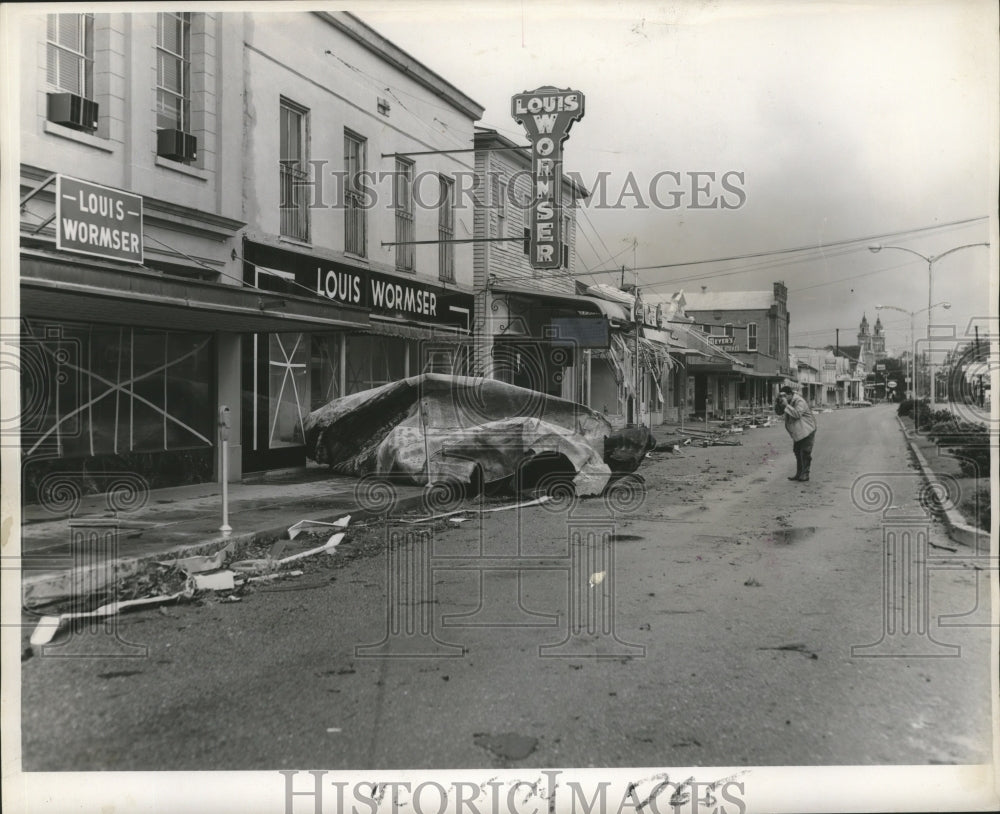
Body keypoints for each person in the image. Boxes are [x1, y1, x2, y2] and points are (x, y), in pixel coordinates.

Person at [774, 385, 817, 482]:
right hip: (798, 432)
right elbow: (779, 412)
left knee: (805, 452)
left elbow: (797, 414)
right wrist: (778, 403)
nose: (783, 398)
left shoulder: (799, 401)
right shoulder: (788, 401)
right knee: (797, 452)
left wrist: (786, 405)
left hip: (807, 430)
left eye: (784, 396)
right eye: (781, 396)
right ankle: (799, 474)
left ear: (790, 394)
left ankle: (805, 474)